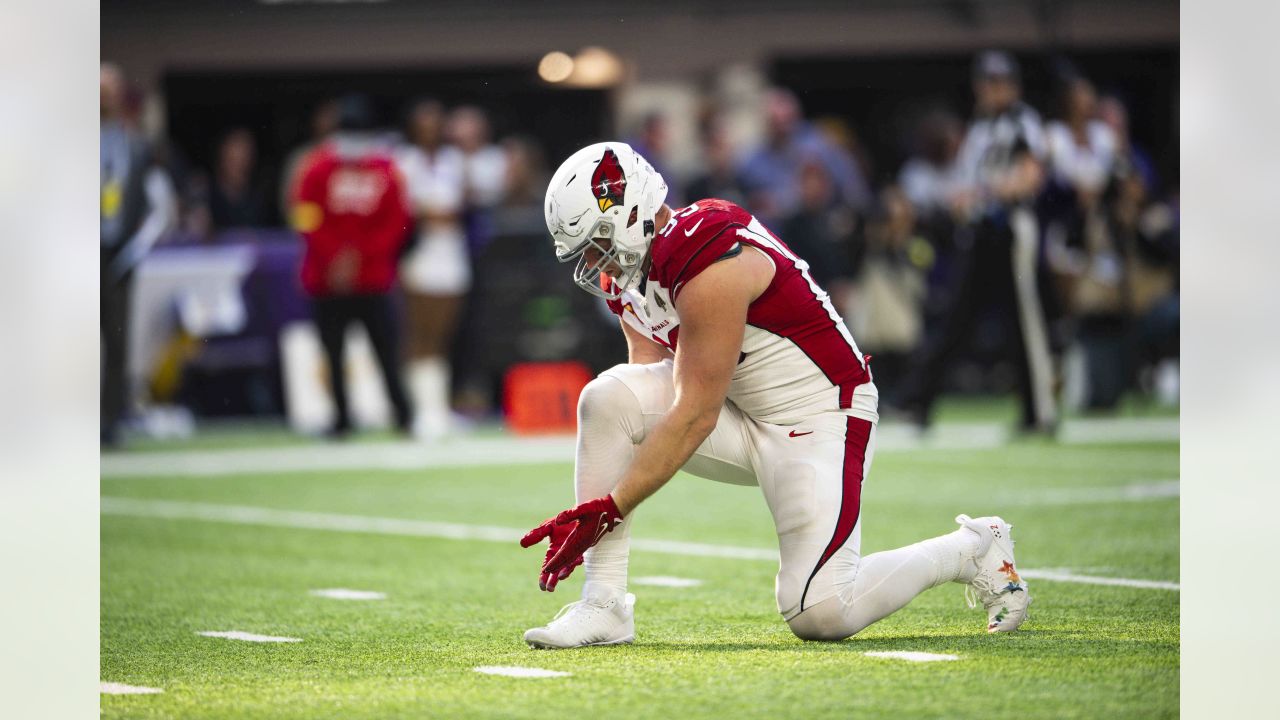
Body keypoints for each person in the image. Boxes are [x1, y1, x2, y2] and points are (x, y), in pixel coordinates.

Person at [519, 141, 1030, 649]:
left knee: (820, 612)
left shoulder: (704, 248)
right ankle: (603, 604)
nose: (592, 259)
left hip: (818, 416)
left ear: (631, 214)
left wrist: (610, 506)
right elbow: (645, 389)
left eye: (597, 240)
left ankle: (970, 548)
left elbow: (694, 412)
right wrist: (612, 502)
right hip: (738, 411)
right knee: (607, 399)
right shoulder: (626, 279)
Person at [897, 51, 1057, 432]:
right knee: (957, 315)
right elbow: (968, 180)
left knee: (1024, 322)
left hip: (1012, 227)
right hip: (980, 230)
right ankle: (920, 400)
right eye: (986, 82)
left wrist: (983, 192)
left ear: (1012, 86)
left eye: (998, 82)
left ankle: (1040, 411)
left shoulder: (1022, 123)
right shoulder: (981, 128)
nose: (990, 89)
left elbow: (1030, 177)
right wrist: (963, 198)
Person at [292, 95, 414, 437]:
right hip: (327, 278)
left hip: (372, 278)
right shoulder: (316, 168)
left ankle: (403, 415)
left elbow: (398, 222)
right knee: (332, 353)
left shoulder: (386, 170)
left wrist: (359, 256)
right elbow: (305, 217)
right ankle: (340, 418)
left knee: (386, 351)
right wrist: (336, 257)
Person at [100, 63, 175, 446]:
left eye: (109, 90)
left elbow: (154, 202)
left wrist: (135, 246)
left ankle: (109, 422)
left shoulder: (134, 145)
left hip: (117, 253)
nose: (103, 97)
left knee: (116, 341)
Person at [396, 99, 469, 441]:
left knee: (442, 335)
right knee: (419, 335)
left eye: (436, 123)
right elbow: (408, 209)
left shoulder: (453, 161)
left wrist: (436, 212)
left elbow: (462, 203)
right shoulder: (404, 161)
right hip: (419, 258)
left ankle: (438, 408)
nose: (431, 130)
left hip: (450, 259)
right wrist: (430, 214)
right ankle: (421, 410)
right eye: (424, 124)